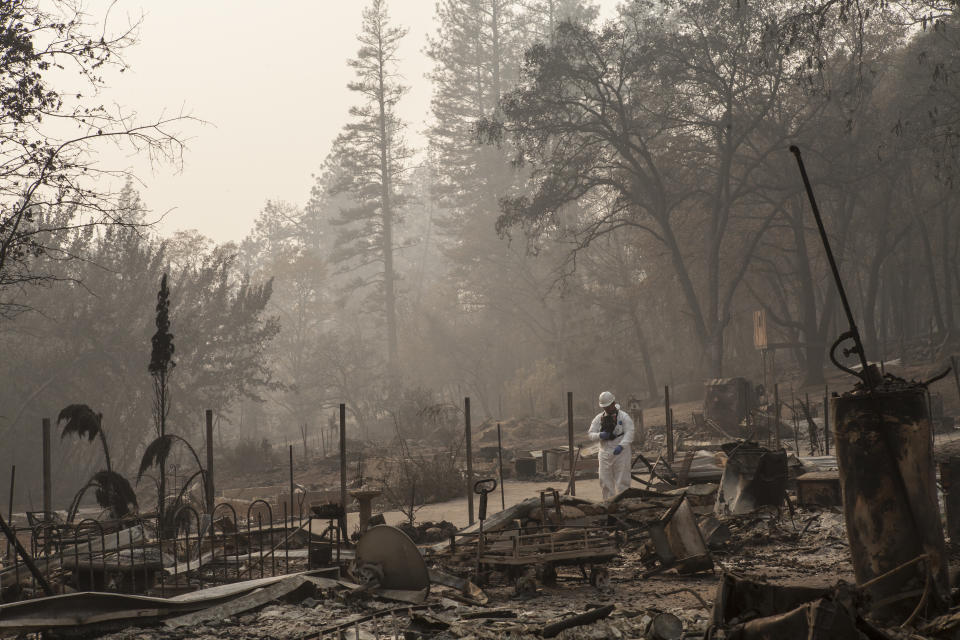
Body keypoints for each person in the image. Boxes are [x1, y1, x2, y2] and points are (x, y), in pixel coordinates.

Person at [588, 391, 635, 500]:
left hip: (621, 453)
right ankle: (608, 503)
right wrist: (600, 435)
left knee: (622, 480)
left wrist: (621, 445)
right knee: (605, 480)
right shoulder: (599, 418)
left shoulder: (623, 417)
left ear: (613, 403)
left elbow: (630, 432)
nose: (607, 409)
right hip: (604, 452)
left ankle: (624, 502)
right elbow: (590, 434)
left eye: (608, 406)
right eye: (604, 407)